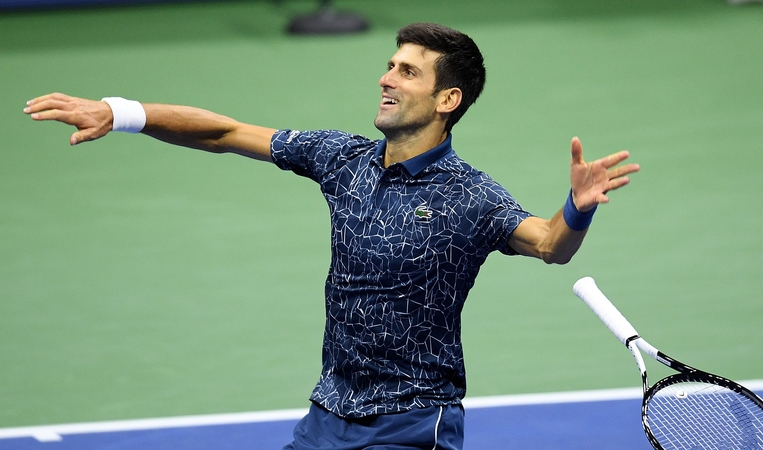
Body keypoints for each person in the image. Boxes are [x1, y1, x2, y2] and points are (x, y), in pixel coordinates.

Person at [24, 22, 639, 450]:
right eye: (389, 65)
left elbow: (549, 244)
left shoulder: (470, 195)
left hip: (411, 422)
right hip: (329, 414)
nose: (386, 78)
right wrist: (122, 111)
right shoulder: (342, 160)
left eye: (407, 71)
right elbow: (225, 132)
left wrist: (577, 207)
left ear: (448, 98)